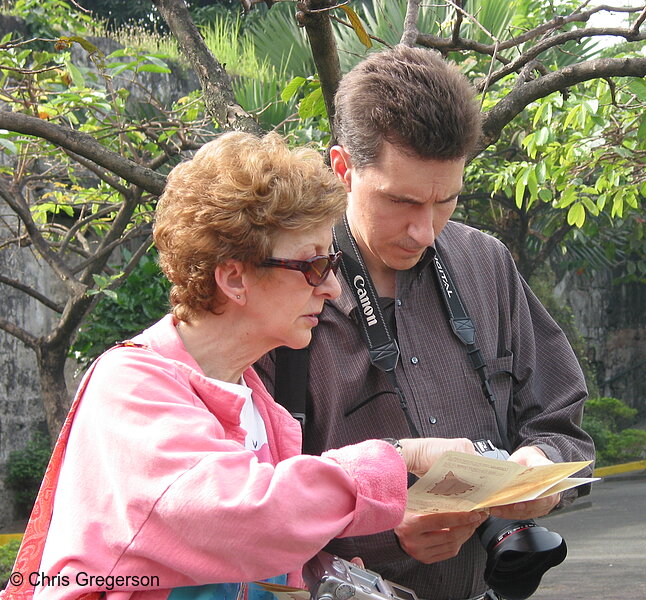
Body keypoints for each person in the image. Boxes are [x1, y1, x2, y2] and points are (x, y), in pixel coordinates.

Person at [3, 132, 478, 600]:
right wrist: (399, 456)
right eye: (312, 265)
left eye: (330, 260)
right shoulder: (130, 387)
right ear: (234, 277)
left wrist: (315, 574)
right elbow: (242, 515)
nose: (332, 287)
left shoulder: (254, 401)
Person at [256, 47, 595, 600]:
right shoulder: (283, 284)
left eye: (447, 201)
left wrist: (542, 473)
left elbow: (561, 424)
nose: (425, 231)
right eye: (402, 201)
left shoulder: (485, 264)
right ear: (342, 168)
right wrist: (376, 521)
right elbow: (242, 498)